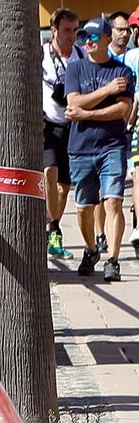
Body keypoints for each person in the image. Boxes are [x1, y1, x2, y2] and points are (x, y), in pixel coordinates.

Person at [65, 17, 134, 281]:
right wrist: (106, 90)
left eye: (93, 37)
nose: (87, 42)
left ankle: (113, 260)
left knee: (113, 202)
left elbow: (123, 111)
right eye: (84, 37)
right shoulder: (76, 69)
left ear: (106, 38)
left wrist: (86, 113)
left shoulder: (124, 73)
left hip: (112, 146)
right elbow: (73, 102)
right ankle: (91, 249)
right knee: (84, 206)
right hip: (80, 147)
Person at [44, 8, 80, 260]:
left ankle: (53, 225)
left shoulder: (79, 56)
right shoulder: (42, 55)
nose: (72, 35)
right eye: (67, 29)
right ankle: (51, 229)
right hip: (47, 124)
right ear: (54, 30)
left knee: (64, 185)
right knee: (49, 172)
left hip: (73, 125)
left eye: (75, 29)